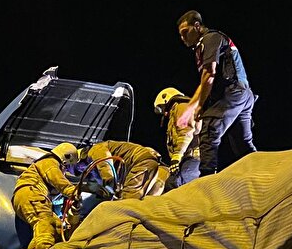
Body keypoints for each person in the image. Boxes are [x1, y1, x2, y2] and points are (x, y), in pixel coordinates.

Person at [175, 11, 257, 177]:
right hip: (242, 95)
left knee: (209, 131)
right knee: (243, 145)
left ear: (197, 26)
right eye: (180, 35)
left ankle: (207, 179)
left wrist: (196, 107)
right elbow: (205, 81)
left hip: (233, 92)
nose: (183, 38)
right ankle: (261, 173)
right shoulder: (203, 45)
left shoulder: (210, 38)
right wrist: (194, 106)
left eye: (185, 32)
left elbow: (209, 75)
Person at [11, 142, 81, 249]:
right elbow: (57, 180)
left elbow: (55, 194)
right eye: (66, 167)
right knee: (45, 224)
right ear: (66, 157)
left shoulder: (45, 165)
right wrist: (74, 192)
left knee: (57, 228)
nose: (66, 170)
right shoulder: (50, 162)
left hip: (31, 196)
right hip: (31, 193)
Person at [82, 140, 168, 199]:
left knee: (126, 204)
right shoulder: (92, 170)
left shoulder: (95, 150)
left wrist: (110, 184)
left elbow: (105, 166)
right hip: (155, 169)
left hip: (140, 162)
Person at [153, 87, 201, 189]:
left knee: (174, 185)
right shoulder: (177, 110)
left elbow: (186, 132)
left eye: (162, 108)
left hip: (192, 159)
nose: (165, 114)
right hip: (186, 159)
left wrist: (176, 157)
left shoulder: (182, 106)